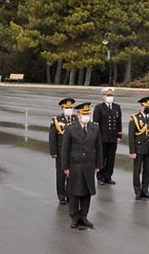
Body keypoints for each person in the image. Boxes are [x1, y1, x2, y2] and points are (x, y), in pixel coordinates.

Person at [61, 102, 103, 230]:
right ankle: (74, 217)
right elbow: (65, 149)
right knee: (74, 192)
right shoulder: (70, 128)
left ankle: (84, 216)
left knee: (86, 192)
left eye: (88, 113)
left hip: (89, 164)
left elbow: (99, 147)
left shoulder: (95, 128)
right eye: (84, 114)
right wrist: (65, 167)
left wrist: (98, 164)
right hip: (75, 165)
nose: (86, 116)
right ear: (78, 115)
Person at [129, 96, 149, 201]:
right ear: (141, 106)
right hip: (138, 148)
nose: (148, 108)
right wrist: (132, 151)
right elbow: (131, 136)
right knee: (137, 171)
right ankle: (137, 191)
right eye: (146, 106)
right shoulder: (135, 118)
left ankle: (145, 190)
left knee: (148, 171)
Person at [48, 97, 76, 205]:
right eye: (66, 108)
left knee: (72, 174)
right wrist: (53, 152)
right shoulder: (57, 120)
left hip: (73, 151)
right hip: (61, 151)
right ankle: (61, 195)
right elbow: (52, 137)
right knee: (61, 174)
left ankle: (70, 194)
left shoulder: (75, 119)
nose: (69, 109)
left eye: (70, 108)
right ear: (62, 108)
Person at [93, 86, 122, 185]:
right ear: (103, 96)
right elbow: (96, 124)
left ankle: (108, 176)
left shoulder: (117, 107)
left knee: (111, 158)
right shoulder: (99, 108)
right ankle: (100, 176)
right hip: (102, 137)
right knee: (101, 157)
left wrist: (119, 135)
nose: (110, 97)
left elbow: (119, 122)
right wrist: (97, 137)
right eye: (108, 95)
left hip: (113, 137)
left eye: (111, 95)